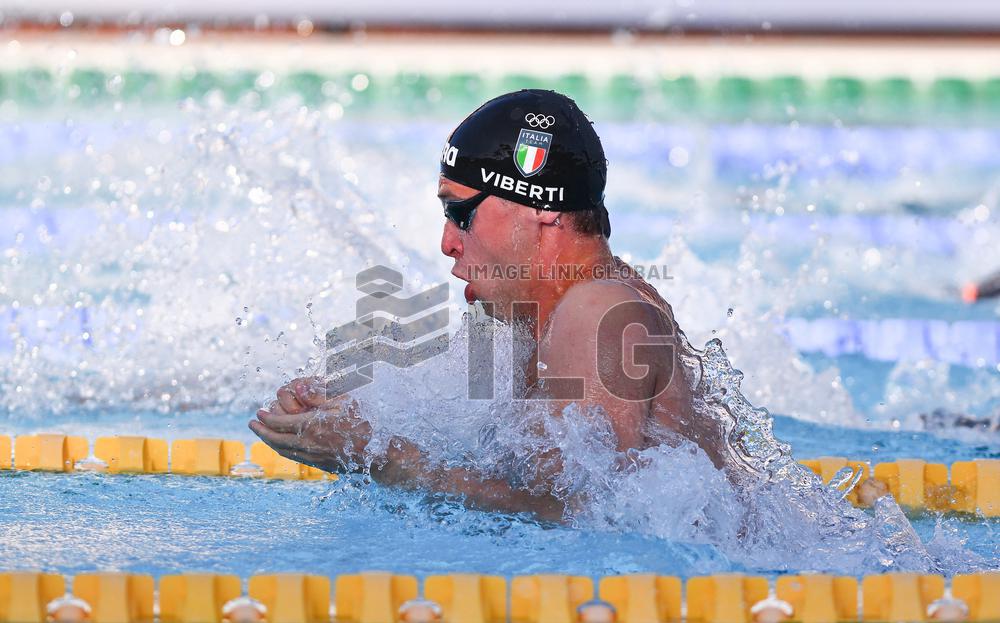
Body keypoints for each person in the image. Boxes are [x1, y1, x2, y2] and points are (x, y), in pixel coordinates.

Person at [249, 89, 736, 521]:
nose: (447, 242)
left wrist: (390, 460)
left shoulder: (598, 310)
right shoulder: (541, 310)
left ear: (542, 209)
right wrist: (356, 423)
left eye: (461, 214)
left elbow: (591, 516)